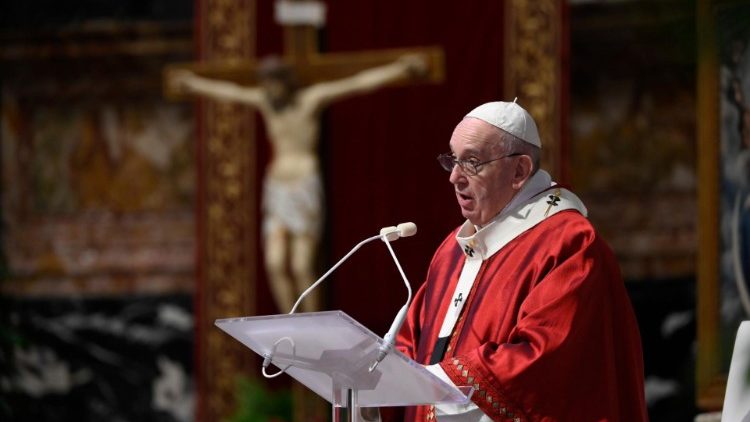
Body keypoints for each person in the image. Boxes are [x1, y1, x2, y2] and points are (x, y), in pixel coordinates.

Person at [394, 100, 648, 421]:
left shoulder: (568, 243)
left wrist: (443, 382)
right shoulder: (452, 251)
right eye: (453, 160)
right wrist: (373, 383)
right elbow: (412, 340)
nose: (454, 178)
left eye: (472, 162)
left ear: (519, 170)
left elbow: (547, 360)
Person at [170, 54, 427, 313]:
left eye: (275, 82)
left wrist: (399, 68)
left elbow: (358, 83)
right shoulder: (266, 103)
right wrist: (192, 83)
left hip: (304, 186)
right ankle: (289, 319)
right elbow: (229, 92)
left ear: (286, 82)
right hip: (277, 187)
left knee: (301, 265)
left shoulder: (310, 100)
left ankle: (311, 319)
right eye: (266, 83)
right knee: (274, 262)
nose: (270, 89)